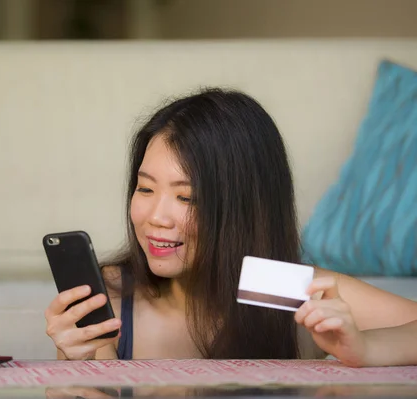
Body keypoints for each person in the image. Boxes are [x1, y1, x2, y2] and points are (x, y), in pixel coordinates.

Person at [43, 87, 417, 367]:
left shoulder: (281, 287)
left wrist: (368, 350)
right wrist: (72, 364)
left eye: (186, 197)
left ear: (242, 208)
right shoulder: (110, 297)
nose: (156, 216)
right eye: (145, 188)